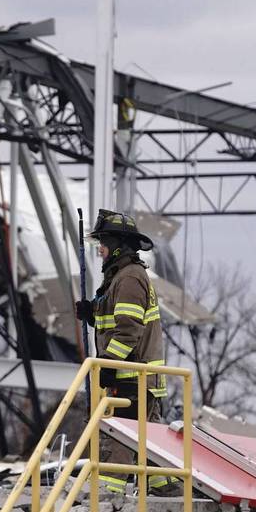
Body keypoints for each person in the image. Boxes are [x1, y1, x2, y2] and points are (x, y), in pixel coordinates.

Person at [75, 209, 168, 493]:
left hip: (133, 377)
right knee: (150, 445)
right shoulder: (122, 277)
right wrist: (93, 311)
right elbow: (116, 321)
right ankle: (166, 492)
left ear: (117, 245)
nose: (100, 249)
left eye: (103, 242)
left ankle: (104, 500)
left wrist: (108, 364)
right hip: (137, 376)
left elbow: (128, 331)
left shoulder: (128, 279)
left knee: (119, 439)